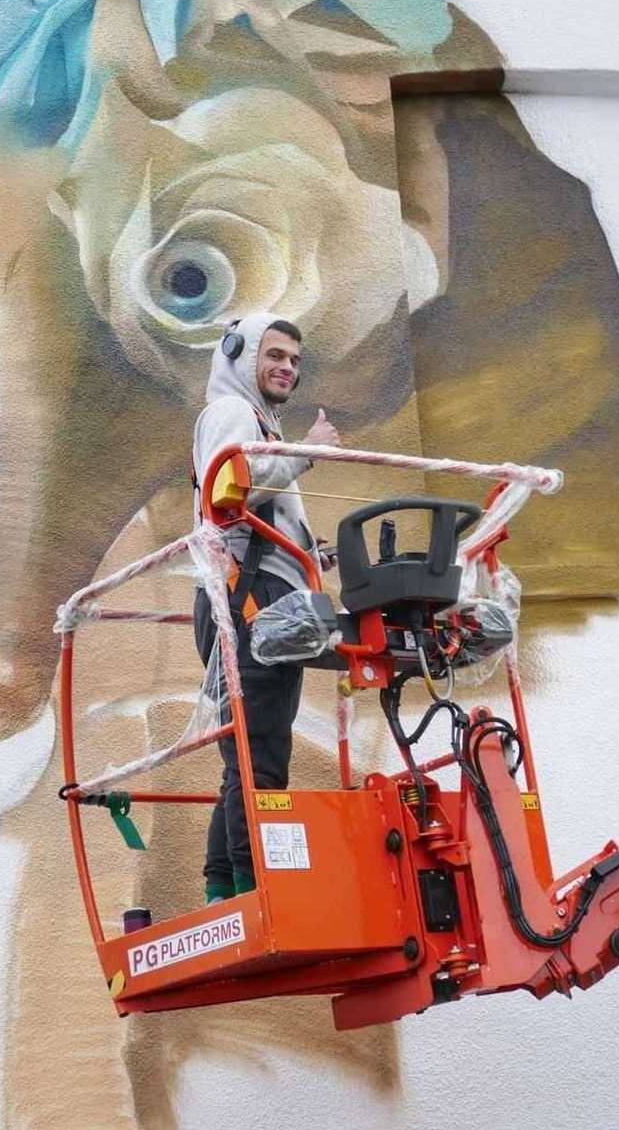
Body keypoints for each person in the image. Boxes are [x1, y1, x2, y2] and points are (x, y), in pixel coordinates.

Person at [192, 311, 339, 903]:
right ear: (240, 355)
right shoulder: (233, 413)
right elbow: (232, 487)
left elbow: (254, 509)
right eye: (274, 355)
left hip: (250, 596)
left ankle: (225, 888)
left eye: (295, 361)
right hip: (246, 600)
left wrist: (310, 551)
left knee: (250, 753)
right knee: (262, 754)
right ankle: (256, 894)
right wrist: (309, 450)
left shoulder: (256, 421)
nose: (287, 368)